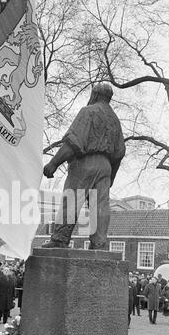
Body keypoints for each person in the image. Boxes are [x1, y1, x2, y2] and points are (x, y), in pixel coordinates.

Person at [42, 83, 125, 250]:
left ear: (94, 95)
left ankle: (60, 239)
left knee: (72, 199)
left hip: (85, 163)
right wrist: (110, 177)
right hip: (106, 167)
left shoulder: (88, 112)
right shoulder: (115, 121)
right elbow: (120, 152)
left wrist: (54, 163)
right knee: (100, 205)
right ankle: (99, 243)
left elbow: (74, 141)